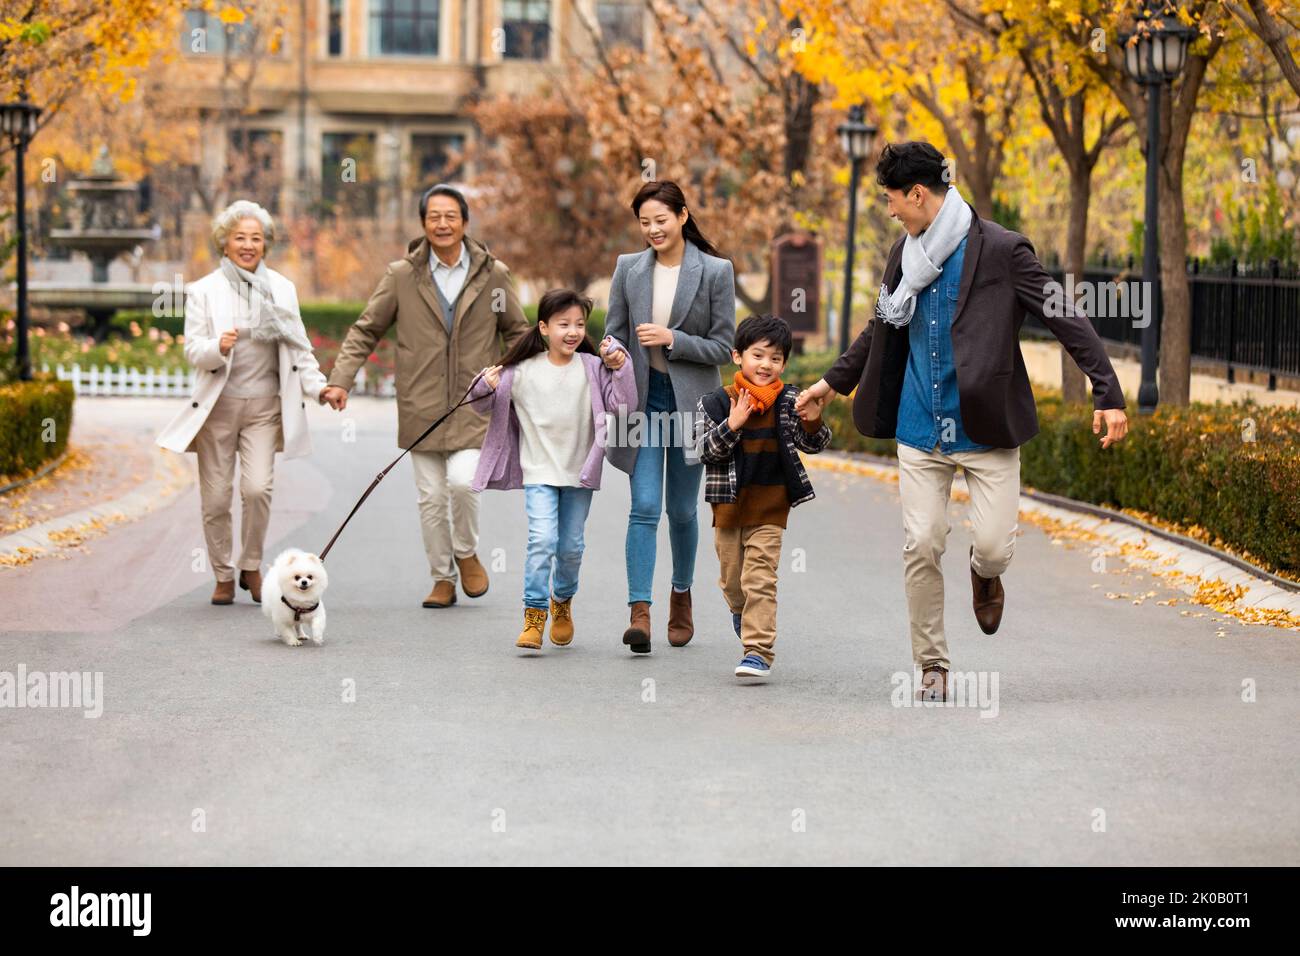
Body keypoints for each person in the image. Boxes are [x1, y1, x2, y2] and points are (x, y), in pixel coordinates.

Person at [796, 141, 1129, 701]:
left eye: (892, 200)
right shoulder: (904, 256)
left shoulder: (1002, 250)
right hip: (920, 426)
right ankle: (932, 663)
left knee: (996, 545)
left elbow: (1063, 312)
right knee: (922, 542)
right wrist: (831, 384)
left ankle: (984, 572)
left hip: (985, 425)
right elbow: (880, 326)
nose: (891, 211)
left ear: (919, 193)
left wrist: (1108, 392)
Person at [321, 184, 529, 609]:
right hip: (421, 404)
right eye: (434, 216)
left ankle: (467, 552)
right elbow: (367, 328)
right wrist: (341, 379)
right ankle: (442, 578)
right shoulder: (402, 275)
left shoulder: (493, 275)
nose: (442, 223)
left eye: (451, 215)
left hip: (475, 403)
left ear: (465, 222)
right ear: (423, 223)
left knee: (463, 484)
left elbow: (519, 332)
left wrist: (514, 377)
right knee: (431, 498)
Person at [157, 199, 342, 605]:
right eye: (239, 237)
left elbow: (299, 350)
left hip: (263, 408)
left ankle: (252, 565)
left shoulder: (282, 290)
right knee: (217, 498)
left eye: (256, 238)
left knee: (257, 490)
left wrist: (321, 388)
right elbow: (192, 350)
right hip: (217, 409)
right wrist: (216, 347)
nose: (248, 245)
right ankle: (223, 575)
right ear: (224, 243)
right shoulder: (204, 290)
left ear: (265, 245)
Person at [603, 180, 736, 654]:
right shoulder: (628, 269)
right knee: (643, 508)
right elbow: (613, 334)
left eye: (661, 219)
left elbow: (724, 346)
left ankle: (681, 593)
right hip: (641, 401)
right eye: (644, 222)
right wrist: (611, 351)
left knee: (681, 510)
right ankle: (640, 611)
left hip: (691, 404)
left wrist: (673, 339)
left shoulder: (716, 272)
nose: (653, 229)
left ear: (682, 216)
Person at [468, 289, 636, 649]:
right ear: (544, 328)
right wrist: (485, 385)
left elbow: (624, 408)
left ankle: (562, 601)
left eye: (579, 324)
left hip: (580, 473)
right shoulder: (520, 371)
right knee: (542, 540)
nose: (573, 332)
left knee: (572, 546)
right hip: (539, 472)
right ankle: (533, 615)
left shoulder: (593, 367)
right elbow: (478, 405)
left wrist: (622, 368)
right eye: (563, 324)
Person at [694, 314, 831, 680]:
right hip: (727, 507)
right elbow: (704, 451)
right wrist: (733, 424)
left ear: (784, 363)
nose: (766, 365)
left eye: (775, 358)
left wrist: (813, 419)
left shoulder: (789, 401)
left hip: (771, 508)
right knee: (732, 583)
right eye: (758, 355)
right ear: (737, 356)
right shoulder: (715, 404)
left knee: (760, 580)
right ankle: (741, 612)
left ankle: (757, 650)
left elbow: (812, 444)